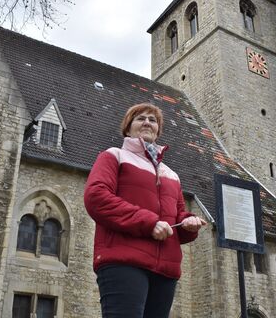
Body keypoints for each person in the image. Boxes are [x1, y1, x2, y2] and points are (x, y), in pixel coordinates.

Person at [84, 103, 206, 318]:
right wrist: (149, 223)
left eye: (153, 120)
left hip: (166, 269)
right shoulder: (113, 156)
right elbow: (96, 197)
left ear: (158, 130)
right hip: (124, 260)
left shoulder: (172, 174)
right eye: (140, 118)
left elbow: (177, 214)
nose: (147, 122)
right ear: (128, 127)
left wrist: (188, 223)